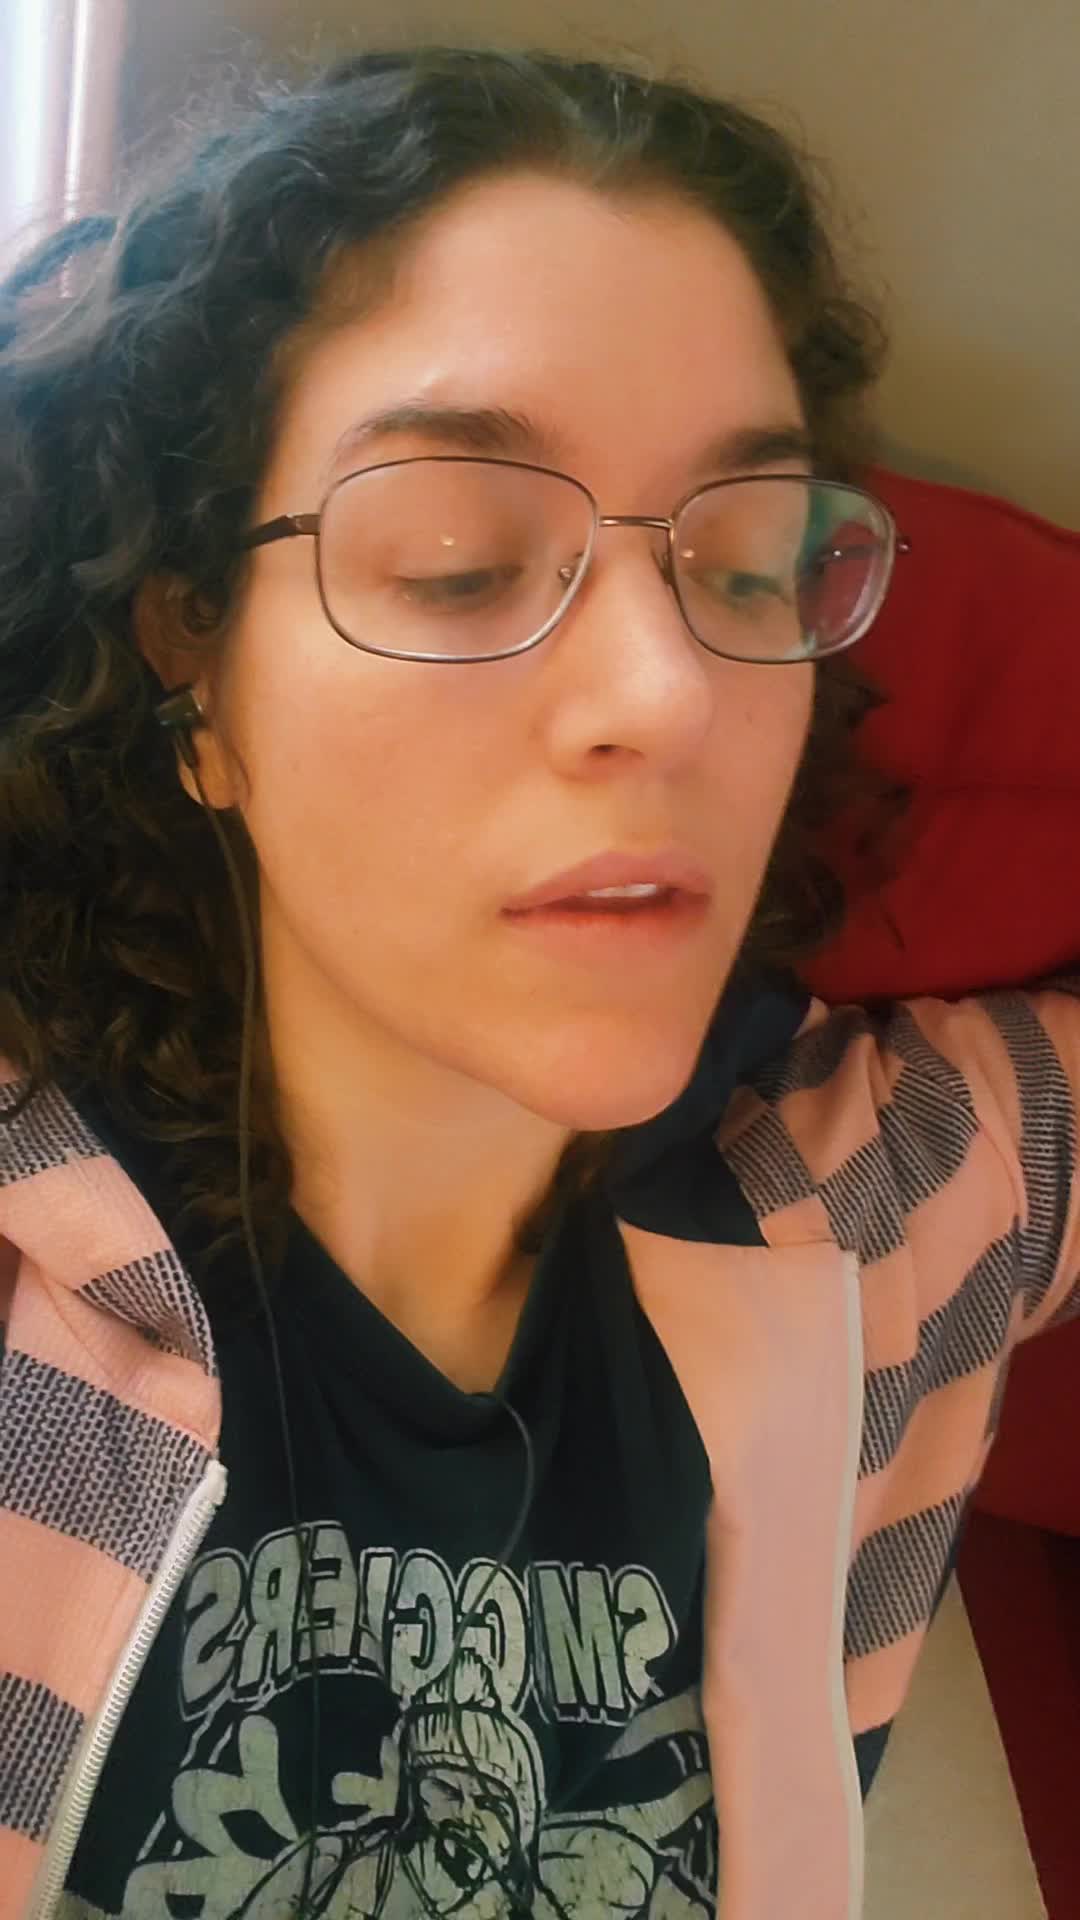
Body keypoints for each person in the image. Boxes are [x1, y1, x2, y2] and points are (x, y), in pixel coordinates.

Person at [0, 45, 1075, 1920]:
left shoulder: (901, 1209)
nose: (672, 695)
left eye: (747, 567)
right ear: (194, 663)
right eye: (459, 559)